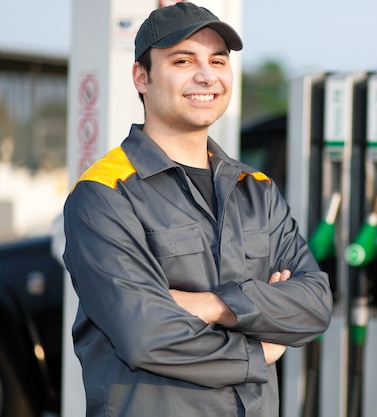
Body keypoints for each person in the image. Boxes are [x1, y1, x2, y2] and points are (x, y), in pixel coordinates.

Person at [62, 3, 333, 416]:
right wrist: (260, 347)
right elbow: (145, 335)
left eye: (218, 60)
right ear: (142, 77)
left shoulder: (255, 190)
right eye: (183, 60)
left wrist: (209, 305)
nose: (206, 75)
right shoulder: (104, 195)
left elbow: (315, 304)